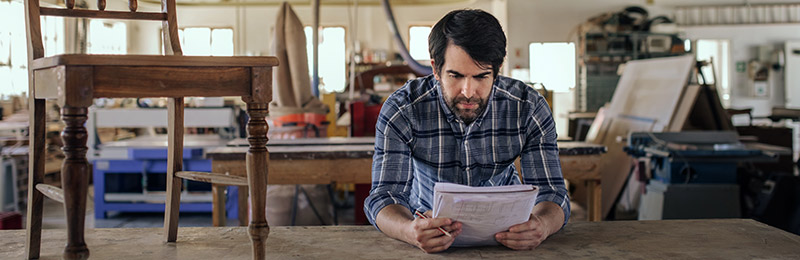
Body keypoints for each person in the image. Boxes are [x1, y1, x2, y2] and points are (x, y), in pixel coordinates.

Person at [364, 9, 570, 253]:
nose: (469, 92)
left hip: (509, 236)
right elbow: (384, 196)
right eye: (456, 76)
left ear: (498, 69)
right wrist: (409, 230)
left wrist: (542, 226)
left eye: (482, 77)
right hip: (427, 230)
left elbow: (553, 192)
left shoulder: (529, 108)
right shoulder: (403, 109)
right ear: (435, 68)